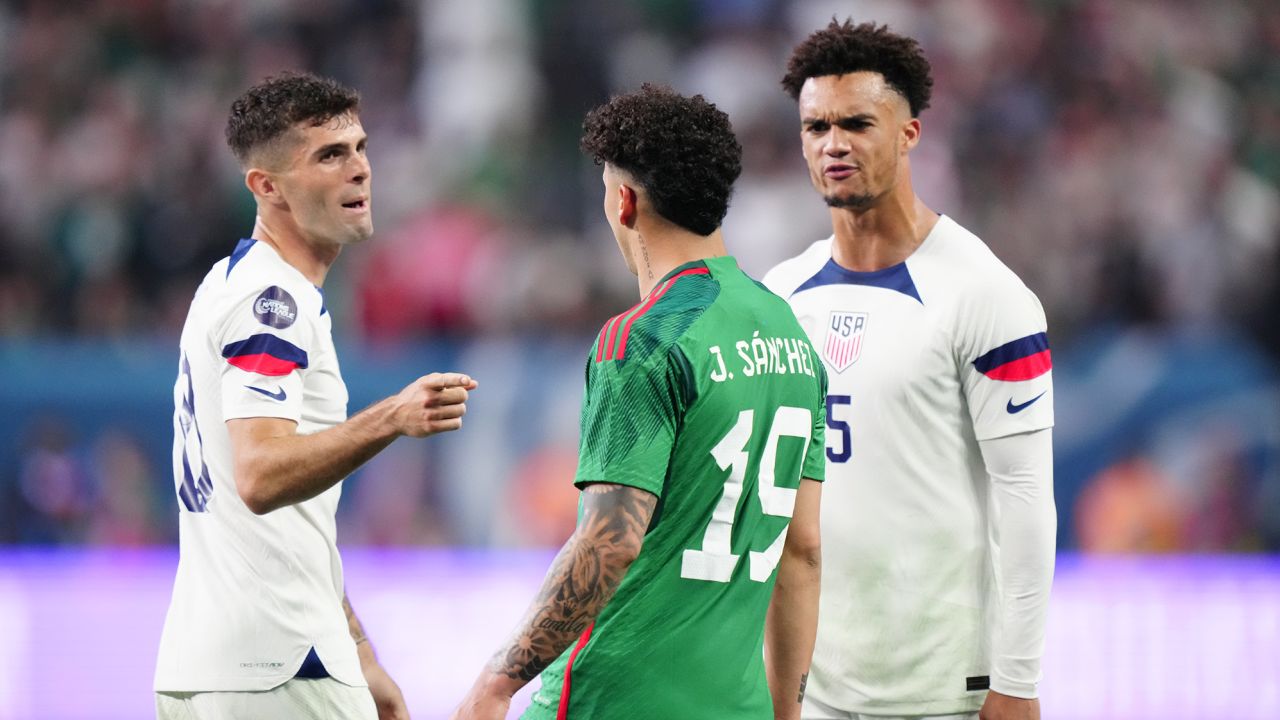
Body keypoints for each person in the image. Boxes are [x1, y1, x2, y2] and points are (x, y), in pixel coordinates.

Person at [453, 84, 828, 720]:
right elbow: (804, 549)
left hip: (617, 697)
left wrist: (499, 680)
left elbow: (609, 540)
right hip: (735, 706)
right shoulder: (792, 337)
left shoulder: (644, 336)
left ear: (624, 202)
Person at [154, 72, 477, 720]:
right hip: (276, 671)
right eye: (330, 156)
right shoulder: (269, 304)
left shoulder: (231, 284)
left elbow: (292, 529)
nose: (359, 170)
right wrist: (392, 417)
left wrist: (358, 653)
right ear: (266, 186)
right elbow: (261, 473)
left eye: (359, 148)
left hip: (221, 665)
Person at [762, 20, 1056, 720]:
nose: (833, 144)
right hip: (817, 691)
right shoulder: (780, 294)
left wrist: (1017, 682)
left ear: (909, 133)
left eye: (857, 123)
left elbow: (1026, 499)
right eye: (816, 127)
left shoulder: (987, 295)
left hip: (944, 692)